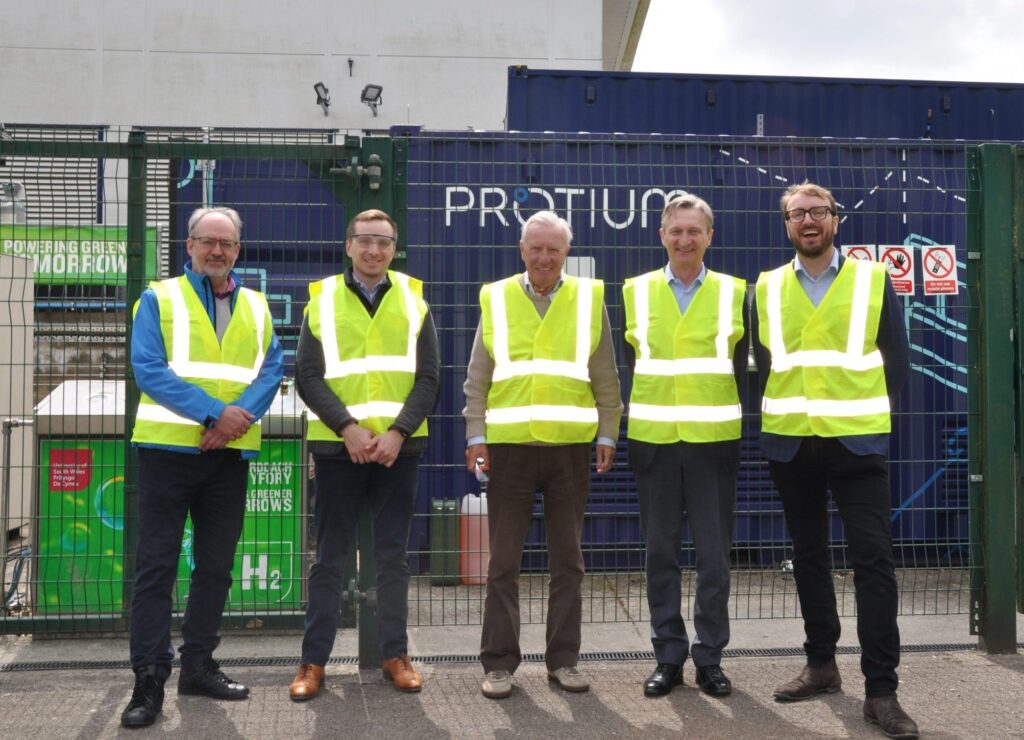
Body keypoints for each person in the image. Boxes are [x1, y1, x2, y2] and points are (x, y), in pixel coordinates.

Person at [752, 182, 917, 739]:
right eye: (797, 214)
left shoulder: (873, 279)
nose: (808, 221)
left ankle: (881, 692)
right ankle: (821, 664)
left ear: (835, 221)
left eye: (817, 212)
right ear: (787, 226)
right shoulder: (767, 286)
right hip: (791, 442)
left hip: (857, 443)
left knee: (873, 563)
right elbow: (759, 362)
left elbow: (897, 360)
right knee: (809, 558)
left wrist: (874, 423)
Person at [122, 206, 284, 728]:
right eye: (207, 241)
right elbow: (148, 369)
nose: (217, 251)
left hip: (228, 457)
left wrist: (234, 422)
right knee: (156, 568)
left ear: (238, 249)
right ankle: (148, 679)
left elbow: (271, 369)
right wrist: (214, 414)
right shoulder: (159, 299)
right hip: (168, 454)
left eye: (227, 243)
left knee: (215, 566)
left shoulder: (257, 307)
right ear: (188, 246)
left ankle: (198, 666)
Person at [463, 210, 623, 699]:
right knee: (504, 563)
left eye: (554, 249)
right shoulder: (497, 297)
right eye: (537, 248)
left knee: (568, 562)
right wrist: (475, 435)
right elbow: (479, 375)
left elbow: (605, 374)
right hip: (509, 450)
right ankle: (499, 665)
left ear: (566, 253)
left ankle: (564, 661)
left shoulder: (587, 298)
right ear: (522, 249)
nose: (545, 257)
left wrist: (608, 432)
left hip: (570, 451)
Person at [288, 208, 439, 700]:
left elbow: (429, 378)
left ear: (394, 249)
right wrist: (348, 429)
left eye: (384, 242)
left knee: (393, 559)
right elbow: (308, 376)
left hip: (399, 450)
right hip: (339, 450)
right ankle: (314, 663)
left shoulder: (414, 300)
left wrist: (397, 432)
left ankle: (396, 655)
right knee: (330, 559)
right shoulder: (322, 299)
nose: (375, 250)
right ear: (348, 245)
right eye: (366, 240)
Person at [622, 193, 747, 698]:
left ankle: (710, 658)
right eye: (676, 230)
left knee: (714, 559)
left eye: (694, 231)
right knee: (661, 557)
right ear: (662, 235)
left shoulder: (736, 293)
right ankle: (668, 656)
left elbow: (744, 368)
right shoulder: (635, 291)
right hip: (654, 444)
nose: (685, 239)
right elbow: (630, 366)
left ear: (709, 236)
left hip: (713, 445)